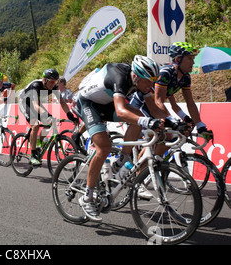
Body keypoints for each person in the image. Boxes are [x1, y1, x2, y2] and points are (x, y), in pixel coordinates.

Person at [72, 55, 164, 221]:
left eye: (154, 81)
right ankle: (87, 197)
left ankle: (122, 159)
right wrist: (147, 121)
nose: (151, 85)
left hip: (106, 104)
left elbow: (154, 110)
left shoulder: (141, 82)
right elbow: (121, 111)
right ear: (136, 76)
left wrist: (174, 123)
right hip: (88, 104)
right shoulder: (119, 77)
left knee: (138, 117)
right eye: (149, 81)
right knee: (104, 148)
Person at [18, 68, 78, 166]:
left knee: (49, 123)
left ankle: (38, 141)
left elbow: (62, 102)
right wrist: (46, 115)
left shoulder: (54, 88)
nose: (53, 84)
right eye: (51, 82)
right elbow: (35, 106)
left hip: (37, 104)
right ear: (44, 80)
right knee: (36, 125)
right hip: (25, 103)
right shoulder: (36, 85)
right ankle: (32, 155)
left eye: (55, 82)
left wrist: (70, 115)